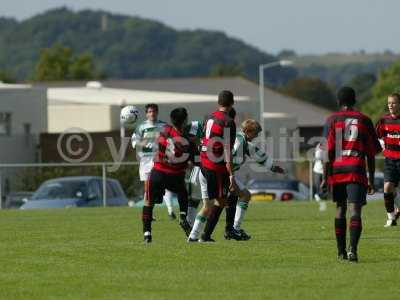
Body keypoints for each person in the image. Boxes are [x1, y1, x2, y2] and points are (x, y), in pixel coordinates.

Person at [321, 86, 381, 262]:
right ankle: (352, 250)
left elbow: (327, 153)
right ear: (355, 100)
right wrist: (370, 178)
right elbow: (371, 153)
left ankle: (340, 252)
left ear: (339, 102)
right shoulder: (364, 120)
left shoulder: (331, 119)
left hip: (338, 170)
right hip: (356, 169)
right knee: (355, 210)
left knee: (340, 209)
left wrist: (325, 178)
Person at [201, 119, 285, 241]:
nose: (256, 136)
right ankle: (232, 229)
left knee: (229, 200)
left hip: (219, 172)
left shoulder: (243, 140)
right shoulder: (239, 141)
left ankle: (222, 231)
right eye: (255, 133)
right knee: (240, 196)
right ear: (248, 131)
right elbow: (230, 155)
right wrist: (231, 176)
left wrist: (272, 167)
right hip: (223, 174)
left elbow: (256, 153)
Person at [188, 90, 237, 242]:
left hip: (203, 164)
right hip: (216, 166)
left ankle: (194, 236)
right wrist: (231, 175)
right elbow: (228, 150)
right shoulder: (228, 121)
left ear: (218, 102)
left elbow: (199, 137)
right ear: (232, 103)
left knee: (208, 203)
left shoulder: (209, 117)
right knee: (222, 201)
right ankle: (205, 235)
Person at [142, 107, 194, 243]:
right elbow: (188, 162)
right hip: (175, 176)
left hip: (158, 172)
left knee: (148, 202)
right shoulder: (187, 139)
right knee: (183, 194)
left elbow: (157, 148)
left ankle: (147, 234)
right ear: (184, 121)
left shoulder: (164, 130)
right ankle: (183, 217)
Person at [131, 103, 176, 220]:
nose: (152, 114)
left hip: (160, 159)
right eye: (150, 112)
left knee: (164, 185)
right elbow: (135, 142)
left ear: (157, 112)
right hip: (146, 159)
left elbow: (171, 141)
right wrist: (144, 143)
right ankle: (149, 214)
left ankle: (170, 210)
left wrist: (170, 152)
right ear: (146, 114)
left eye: (154, 111)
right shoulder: (141, 127)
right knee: (148, 187)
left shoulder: (164, 126)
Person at [375, 93, 400, 227]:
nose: (391, 105)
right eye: (389, 102)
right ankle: (390, 217)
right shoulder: (383, 120)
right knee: (387, 187)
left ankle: (396, 213)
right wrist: (382, 146)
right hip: (390, 159)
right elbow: (377, 136)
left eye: (394, 103)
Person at [313, 143, 327, 211]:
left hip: (324, 171)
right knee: (319, 188)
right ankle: (321, 205)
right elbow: (323, 162)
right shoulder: (319, 151)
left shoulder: (326, 149)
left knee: (324, 189)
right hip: (318, 171)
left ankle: (322, 205)